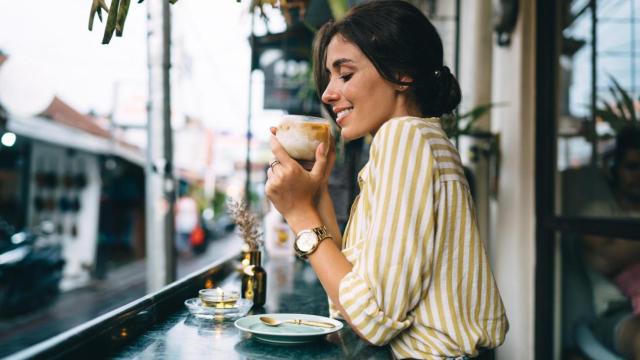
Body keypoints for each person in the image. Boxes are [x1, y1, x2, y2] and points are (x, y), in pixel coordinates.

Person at [265, 1, 508, 358]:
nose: (328, 94)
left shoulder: (404, 138)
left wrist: (298, 214)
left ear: (401, 73)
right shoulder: (423, 141)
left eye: (345, 74)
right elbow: (349, 302)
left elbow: (371, 320)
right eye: (329, 78)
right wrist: (315, 197)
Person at [581, 125, 640, 360]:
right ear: (614, 169)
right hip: (618, 313)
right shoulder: (598, 213)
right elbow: (606, 260)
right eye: (632, 167)